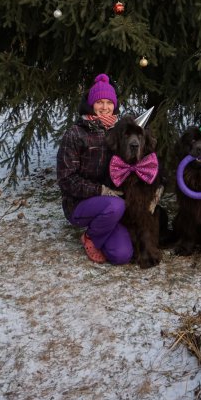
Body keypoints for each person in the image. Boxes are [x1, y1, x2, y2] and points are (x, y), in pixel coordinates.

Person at [56, 73, 133, 265]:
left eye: (109, 102)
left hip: (112, 203)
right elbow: (66, 179)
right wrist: (101, 190)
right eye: (100, 102)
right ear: (91, 104)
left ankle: (104, 225)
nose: (105, 107)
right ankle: (90, 236)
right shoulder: (76, 133)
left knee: (122, 255)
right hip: (80, 203)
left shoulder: (120, 131)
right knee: (115, 206)